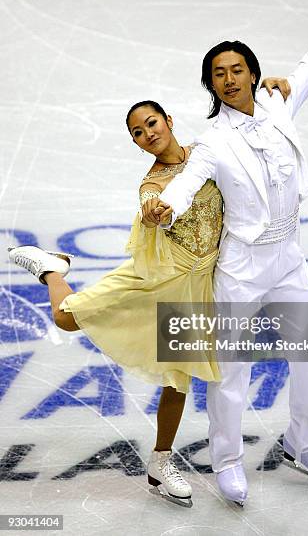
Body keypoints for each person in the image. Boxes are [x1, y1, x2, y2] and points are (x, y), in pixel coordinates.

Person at [143, 0, 308, 505]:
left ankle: (307, 443)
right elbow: (188, 181)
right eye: (219, 73)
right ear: (210, 84)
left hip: (289, 257)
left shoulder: (280, 102)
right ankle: (229, 461)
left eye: (237, 69)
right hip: (242, 265)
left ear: (253, 73)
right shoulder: (213, 139)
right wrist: (165, 203)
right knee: (233, 368)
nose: (229, 79)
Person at [8, 83, 289, 507]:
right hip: (156, 275)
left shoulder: (207, 154)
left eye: (151, 123)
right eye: (138, 133)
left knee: (177, 379)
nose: (148, 134)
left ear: (169, 120)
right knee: (66, 318)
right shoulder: (152, 183)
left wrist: (274, 94)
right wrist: (152, 211)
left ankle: (160, 461)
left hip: (198, 285)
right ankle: (52, 269)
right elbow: (152, 205)